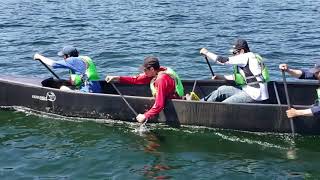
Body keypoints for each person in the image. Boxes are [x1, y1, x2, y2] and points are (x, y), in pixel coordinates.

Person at [105, 56, 184, 123]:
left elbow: (159, 105)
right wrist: (117, 78)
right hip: (168, 95)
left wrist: (145, 115)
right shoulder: (158, 71)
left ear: (152, 69)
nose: (144, 72)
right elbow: (136, 79)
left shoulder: (161, 79)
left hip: (173, 103)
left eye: (145, 70)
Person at [199, 39, 270, 103]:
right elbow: (242, 77)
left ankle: (200, 107)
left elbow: (223, 61)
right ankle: (199, 103)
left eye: (235, 52)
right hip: (249, 90)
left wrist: (206, 53)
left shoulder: (245, 57)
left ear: (242, 51)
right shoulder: (252, 57)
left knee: (223, 105)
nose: (233, 55)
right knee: (222, 89)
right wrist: (222, 77)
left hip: (254, 95)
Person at [33, 45, 101, 93]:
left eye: (64, 56)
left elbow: (53, 64)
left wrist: (39, 57)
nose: (63, 58)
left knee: (63, 88)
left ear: (68, 56)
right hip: (97, 89)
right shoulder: (86, 58)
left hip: (87, 92)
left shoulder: (72, 60)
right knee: (68, 84)